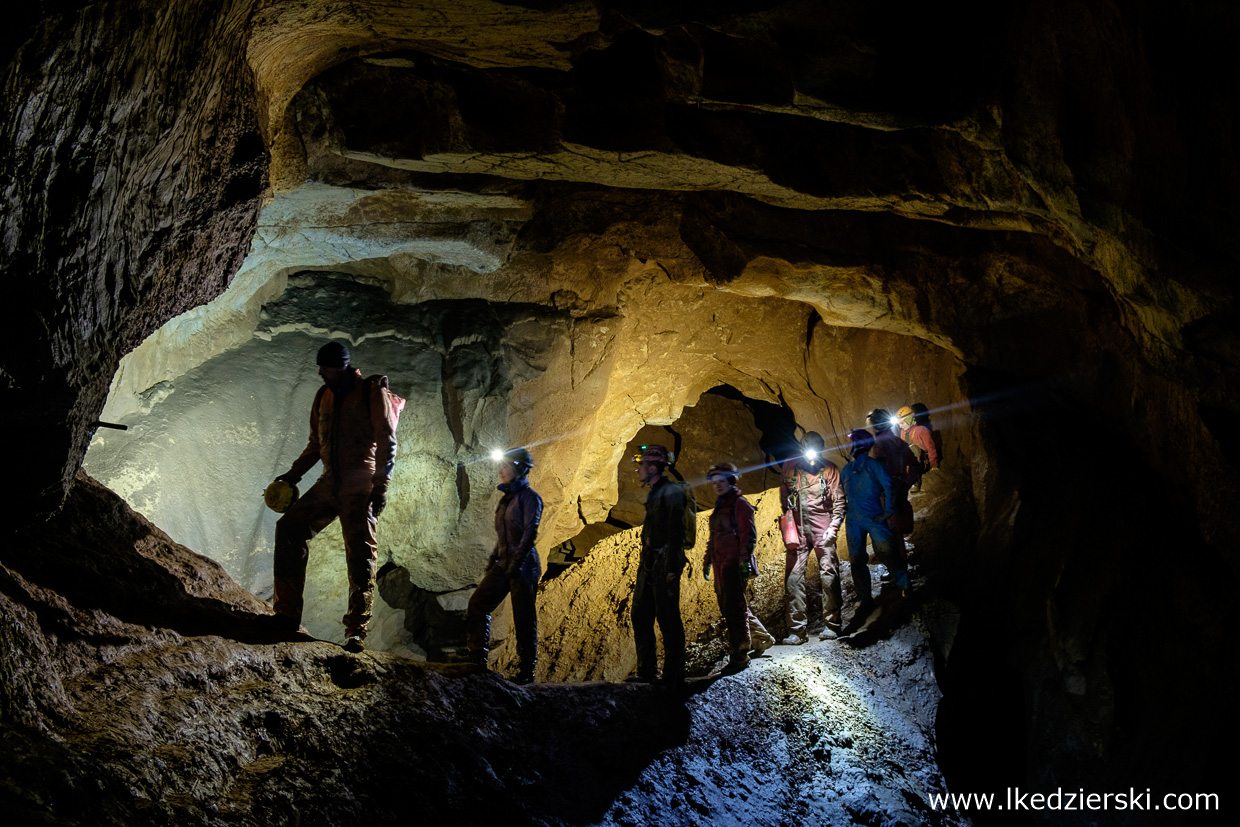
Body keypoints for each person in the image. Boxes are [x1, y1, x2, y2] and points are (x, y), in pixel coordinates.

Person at [271, 341, 398, 653]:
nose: (320, 372)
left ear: (340, 365)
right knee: (289, 529)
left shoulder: (370, 392)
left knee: (361, 559)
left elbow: (386, 439)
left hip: (360, 485)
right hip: (330, 483)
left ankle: (356, 631)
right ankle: (286, 615)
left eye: (325, 367)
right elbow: (316, 444)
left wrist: (381, 487)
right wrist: (292, 475)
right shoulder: (323, 396)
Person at [466, 448, 543, 684]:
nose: (501, 471)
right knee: (478, 604)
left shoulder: (530, 498)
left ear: (518, 469)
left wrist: (516, 562)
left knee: (523, 618)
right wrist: (494, 560)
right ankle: (477, 661)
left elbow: (529, 534)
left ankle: (526, 671)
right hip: (505, 563)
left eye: (506, 466)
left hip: (524, 565)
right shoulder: (506, 500)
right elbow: (504, 537)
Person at [702, 463, 775, 673]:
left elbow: (748, 535)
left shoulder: (740, 505)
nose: (717, 486)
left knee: (735, 610)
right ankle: (762, 638)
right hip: (720, 565)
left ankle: (740, 656)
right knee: (731, 607)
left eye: (721, 481)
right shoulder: (720, 506)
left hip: (734, 564)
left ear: (731, 481)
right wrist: (707, 560)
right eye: (714, 482)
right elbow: (714, 536)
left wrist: (744, 561)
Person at [779, 431, 847, 642]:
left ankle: (832, 625)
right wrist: (790, 526)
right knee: (793, 578)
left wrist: (833, 528)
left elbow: (839, 502)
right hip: (798, 530)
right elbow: (784, 499)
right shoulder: (790, 468)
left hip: (822, 527)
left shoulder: (829, 469)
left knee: (829, 575)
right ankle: (796, 631)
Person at [630, 445, 689, 687]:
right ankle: (647, 671)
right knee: (640, 614)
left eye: (641, 465)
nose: (637, 470)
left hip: (664, 565)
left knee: (667, 618)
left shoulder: (671, 492)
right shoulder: (655, 493)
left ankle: (674, 675)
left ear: (653, 467)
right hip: (650, 564)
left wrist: (671, 568)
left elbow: (678, 533)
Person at [840, 428, 911, 627]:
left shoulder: (873, 466)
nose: (847, 447)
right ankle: (865, 599)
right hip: (854, 520)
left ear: (857, 445)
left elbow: (889, 486)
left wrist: (888, 511)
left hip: (872, 517)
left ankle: (904, 586)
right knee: (857, 561)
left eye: (850, 443)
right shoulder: (847, 470)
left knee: (886, 552)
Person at [867, 407, 916, 557]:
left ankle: (899, 574)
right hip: (899, 488)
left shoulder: (879, 446)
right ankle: (901, 571)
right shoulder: (899, 442)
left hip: (885, 493)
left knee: (890, 531)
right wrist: (907, 482)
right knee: (897, 532)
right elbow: (914, 465)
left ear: (875, 425)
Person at [896, 404, 939, 489]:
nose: (900, 426)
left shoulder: (922, 430)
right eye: (899, 424)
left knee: (912, 448)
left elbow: (931, 448)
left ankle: (914, 482)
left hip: (921, 461)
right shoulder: (903, 432)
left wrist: (934, 465)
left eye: (902, 423)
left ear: (909, 420)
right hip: (909, 461)